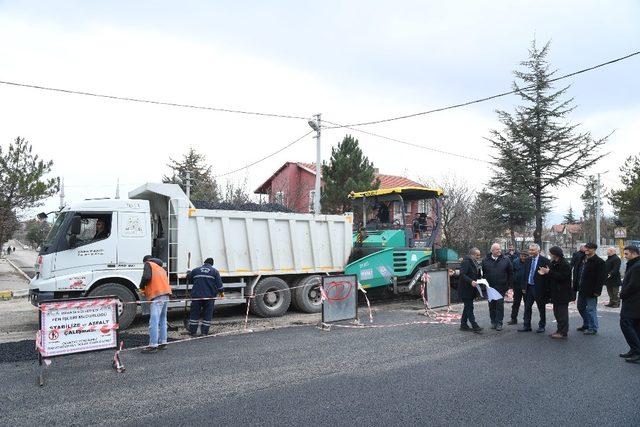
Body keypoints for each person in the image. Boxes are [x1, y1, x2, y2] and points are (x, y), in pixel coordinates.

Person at [139, 255, 172, 353]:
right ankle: (163, 342)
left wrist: (141, 287)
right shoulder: (161, 268)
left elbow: (146, 277)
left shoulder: (149, 264)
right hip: (166, 294)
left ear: (146, 261)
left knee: (154, 321)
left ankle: (153, 345)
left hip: (157, 296)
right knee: (163, 319)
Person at [538, 246, 572, 339]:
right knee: (557, 313)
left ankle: (563, 332)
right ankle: (559, 330)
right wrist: (544, 273)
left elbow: (562, 278)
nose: (549, 255)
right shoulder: (553, 263)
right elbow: (551, 276)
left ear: (555, 254)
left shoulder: (565, 264)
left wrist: (549, 272)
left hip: (562, 293)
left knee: (562, 314)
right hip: (555, 292)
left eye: (550, 253)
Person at [186, 257, 224, 336]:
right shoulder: (215, 271)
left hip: (197, 296)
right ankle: (204, 332)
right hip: (209, 297)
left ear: (204, 263)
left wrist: (188, 272)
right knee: (207, 314)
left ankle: (192, 331)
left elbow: (189, 279)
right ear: (212, 264)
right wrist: (221, 293)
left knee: (194, 314)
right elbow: (219, 285)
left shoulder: (196, 270)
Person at [575, 242, 606, 335]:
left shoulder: (599, 262)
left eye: (589, 248)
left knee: (591, 309)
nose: (586, 250)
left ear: (594, 249)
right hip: (581, 288)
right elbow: (578, 272)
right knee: (580, 307)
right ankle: (586, 324)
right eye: (586, 248)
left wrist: (597, 291)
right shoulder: (583, 259)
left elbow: (601, 278)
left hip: (592, 290)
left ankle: (593, 328)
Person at [481, 243, 513, 331]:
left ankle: (499, 323)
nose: (499, 251)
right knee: (491, 305)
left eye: (500, 249)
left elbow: (510, 273)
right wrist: (484, 287)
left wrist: (509, 286)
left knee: (499, 305)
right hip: (490, 287)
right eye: (497, 249)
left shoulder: (506, 259)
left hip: (501, 287)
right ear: (492, 251)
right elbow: (483, 274)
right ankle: (493, 322)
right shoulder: (485, 260)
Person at [519, 243, 550, 333]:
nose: (531, 252)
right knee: (527, 307)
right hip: (529, 287)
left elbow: (548, 276)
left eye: (533, 250)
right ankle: (527, 325)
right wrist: (524, 287)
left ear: (538, 251)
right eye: (530, 250)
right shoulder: (528, 260)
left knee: (541, 307)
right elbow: (525, 274)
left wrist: (545, 275)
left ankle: (542, 326)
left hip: (539, 288)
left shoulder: (545, 260)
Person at [619, 245, 640, 363]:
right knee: (636, 326)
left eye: (626, 254)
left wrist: (622, 294)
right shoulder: (634, 264)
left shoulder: (637, 266)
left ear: (634, 253)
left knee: (625, 323)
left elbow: (634, 285)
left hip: (633, 301)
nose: (625, 256)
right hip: (634, 301)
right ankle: (634, 350)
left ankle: (637, 351)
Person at [458, 248, 483, 333]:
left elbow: (476, 274)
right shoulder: (466, 262)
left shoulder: (475, 262)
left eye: (479, 255)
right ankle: (474, 325)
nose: (479, 257)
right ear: (472, 255)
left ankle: (463, 325)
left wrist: (480, 279)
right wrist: (471, 281)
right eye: (477, 255)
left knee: (467, 307)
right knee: (470, 307)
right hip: (465, 289)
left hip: (471, 289)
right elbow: (462, 274)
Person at [508, 251, 528, 325]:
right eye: (522, 256)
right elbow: (512, 272)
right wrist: (512, 284)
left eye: (525, 256)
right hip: (517, 286)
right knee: (516, 303)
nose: (523, 257)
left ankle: (526, 320)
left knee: (527, 304)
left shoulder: (529, 262)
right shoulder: (515, 262)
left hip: (526, 286)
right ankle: (513, 319)